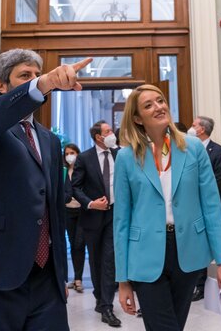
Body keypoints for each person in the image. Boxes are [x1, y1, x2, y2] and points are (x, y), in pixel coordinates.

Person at [0, 50, 91, 331]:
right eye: (25, 76)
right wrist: (43, 84)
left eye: (37, 75)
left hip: (45, 281)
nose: (36, 80)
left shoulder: (48, 140)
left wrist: (60, 277)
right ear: (1, 85)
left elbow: (53, 209)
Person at [114, 85, 221, 331]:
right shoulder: (126, 158)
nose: (159, 106)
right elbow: (121, 220)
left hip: (187, 252)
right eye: (148, 105)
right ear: (137, 118)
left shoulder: (193, 149)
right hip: (144, 254)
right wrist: (123, 280)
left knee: (174, 325)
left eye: (160, 100)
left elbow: (211, 206)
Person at [71, 120, 122, 327]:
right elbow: (75, 187)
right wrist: (91, 203)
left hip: (114, 215)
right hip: (92, 217)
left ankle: (107, 306)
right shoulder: (85, 158)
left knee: (109, 259)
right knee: (96, 259)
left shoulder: (120, 155)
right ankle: (101, 298)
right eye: (108, 131)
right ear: (98, 137)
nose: (112, 133)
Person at [187, 116, 221, 302]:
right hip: (192, 208)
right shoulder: (187, 150)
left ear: (202, 129)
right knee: (198, 245)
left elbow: (218, 180)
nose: (191, 127)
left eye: (194, 125)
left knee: (217, 243)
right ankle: (199, 285)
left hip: (214, 205)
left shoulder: (218, 151)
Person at [63, 143, 86, 294]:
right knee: (72, 243)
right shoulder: (63, 172)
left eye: (72, 152)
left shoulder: (83, 170)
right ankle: (76, 278)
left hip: (82, 211)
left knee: (79, 243)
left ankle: (79, 278)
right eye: (67, 153)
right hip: (67, 211)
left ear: (78, 153)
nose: (70, 155)